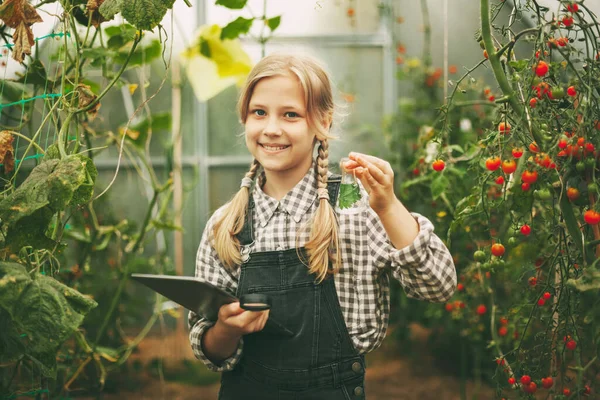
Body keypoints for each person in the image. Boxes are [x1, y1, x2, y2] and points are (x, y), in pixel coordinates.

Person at [188, 52, 457, 399]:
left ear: (323, 122)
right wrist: (226, 328)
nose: (271, 128)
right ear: (245, 119)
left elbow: (438, 287)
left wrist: (388, 206)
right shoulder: (227, 226)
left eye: (290, 114)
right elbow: (208, 349)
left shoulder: (355, 209)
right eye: (259, 112)